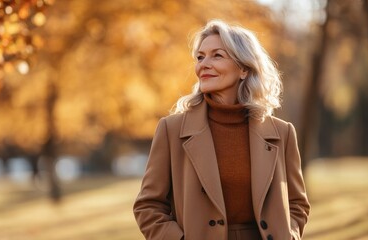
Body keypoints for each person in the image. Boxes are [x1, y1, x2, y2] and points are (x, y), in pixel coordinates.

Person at [133, 19, 310, 240]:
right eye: (200, 57)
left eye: (217, 55)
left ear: (244, 68)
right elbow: (148, 206)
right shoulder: (171, 130)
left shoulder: (282, 133)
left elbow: (297, 204)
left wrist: (289, 235)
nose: (204, 64)